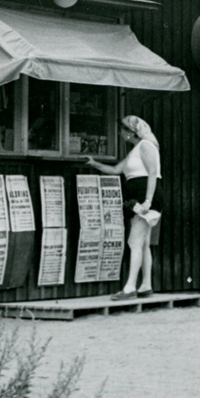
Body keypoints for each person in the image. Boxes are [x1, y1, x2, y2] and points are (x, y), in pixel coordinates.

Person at [86, 115, 162, 299]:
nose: (120, 133)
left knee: (134, 242)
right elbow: (115, 170)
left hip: (145, 197)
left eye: (122, 130)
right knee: (143, 243)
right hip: (139, 197)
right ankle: (145, 286)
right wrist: (93, 163)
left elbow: (153, 173)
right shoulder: (135, 150)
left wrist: (148, 201)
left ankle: (129, 288)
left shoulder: (145, 146)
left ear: (131, 132)